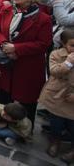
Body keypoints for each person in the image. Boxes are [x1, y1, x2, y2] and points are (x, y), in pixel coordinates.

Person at [0, 0, 53, 127]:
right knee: (4, 92)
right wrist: (4, 44)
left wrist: (16, 48)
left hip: (27, 65)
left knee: (27, 98)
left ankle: (26, 128)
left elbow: (43, 44)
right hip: (5, 60)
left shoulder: (43, 19)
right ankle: (2, 119)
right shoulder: (7, 10)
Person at [39, 28, 74, 160]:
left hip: (72, 98)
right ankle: (55, 141)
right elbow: (54, 71)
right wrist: (68, 63)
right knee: (56, 122)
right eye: (72, 45)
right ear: (64, 44)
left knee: (72, 124)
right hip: (58, 95)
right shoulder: (56, 55)